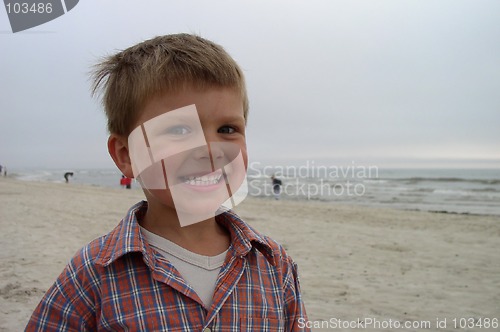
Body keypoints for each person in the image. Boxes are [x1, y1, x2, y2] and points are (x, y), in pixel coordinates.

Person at [26, 34, 309, 331]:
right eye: (179, 129)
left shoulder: (275, 264)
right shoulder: (93, 274)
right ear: (127, 155)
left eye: (227, 129)